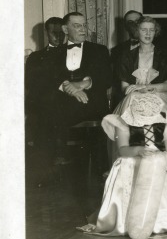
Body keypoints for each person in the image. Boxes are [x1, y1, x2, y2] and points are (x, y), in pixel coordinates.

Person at [79, 91, 167, 239]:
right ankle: (129, 222)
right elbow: (122, 149)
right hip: (133, 161)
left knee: (163, 191)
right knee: (134, 192)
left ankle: (161, 223)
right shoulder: (124, 124)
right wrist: (138, 150)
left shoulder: (164, 124)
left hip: (159, 163)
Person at [43, 11, 112, 163]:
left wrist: (82, 84)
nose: (82, 29)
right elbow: (49, 79)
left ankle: (97, 167)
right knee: (48, 110)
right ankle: (58, 160)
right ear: (66, 30)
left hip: (91, 102)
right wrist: (68, 87)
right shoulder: (53, 53)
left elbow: (107, 79)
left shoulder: (99, 50)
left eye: (84, 25)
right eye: (77, 26)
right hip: (64, 102)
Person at [114, 16, 167, 108]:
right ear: (137, 32)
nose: (148, 33)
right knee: (133, 100)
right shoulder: (127, 56)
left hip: (158, 95)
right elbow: (124, 87)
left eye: (151, 30)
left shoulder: (165, 55)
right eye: (144, 30)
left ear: (155, 32)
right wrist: (135, 90)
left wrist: (144, 87)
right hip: (134, 97)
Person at [25, 15, 65, 147]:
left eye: (61, 33)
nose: (58, 37)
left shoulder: (72, 54)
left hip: (64, 99)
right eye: (54, 33)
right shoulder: (35, 57)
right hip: (42, 102)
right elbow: (29, 83)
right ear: (46, 33)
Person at [109, 10, 142, 107]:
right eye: (130, 22)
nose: (134, 25)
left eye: (138, 21)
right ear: (125, 27)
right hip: (125, 97)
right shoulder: (117, 51)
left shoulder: (158, 49)